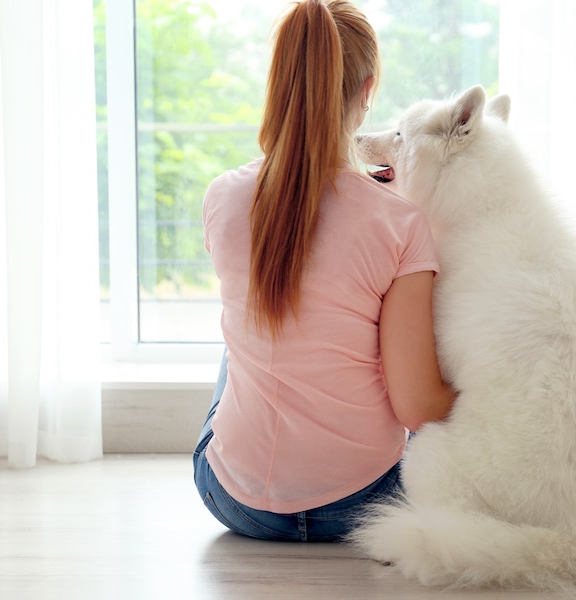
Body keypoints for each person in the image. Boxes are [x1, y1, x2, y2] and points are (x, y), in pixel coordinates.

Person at [193, 0, 455, 542]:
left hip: (235, 501)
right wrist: (499, 398)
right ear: (367, 90)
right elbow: (417, 406)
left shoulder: (222, 197)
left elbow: (307, 220)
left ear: (280, 84)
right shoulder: (401, 222)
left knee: (250, 325)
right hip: (360, 504)